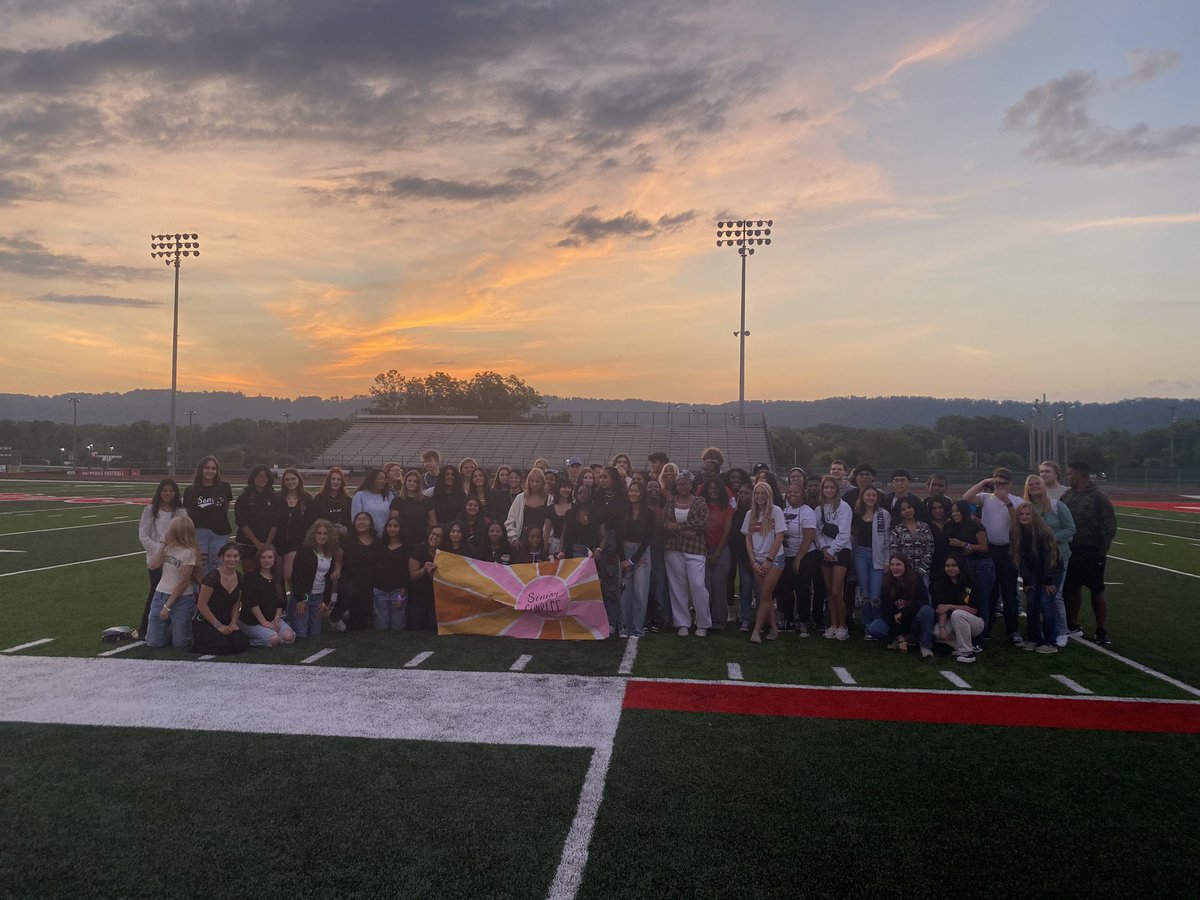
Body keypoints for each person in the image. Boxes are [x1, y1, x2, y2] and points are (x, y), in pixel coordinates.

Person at [962, 468, 1024, 646]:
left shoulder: (1017, 501)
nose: (1000, 486)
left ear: (1010, 484)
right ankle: (986, 627)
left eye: (1003, 483)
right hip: (988, 550)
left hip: (1007, 550)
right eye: (997, 483)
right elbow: (966, 498)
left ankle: (1012, 630)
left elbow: (1016, 523)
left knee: (1009, 592)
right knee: (989, 591)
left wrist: (1007, 502)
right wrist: (984, 483)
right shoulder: (986, 498)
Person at [1061, 461, 1117, 646]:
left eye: (1070, 474)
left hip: (1092, 551)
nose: (1068, 477)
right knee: (1072, 588)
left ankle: (1101, 629)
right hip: (1071, 549)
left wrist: (1101, 550)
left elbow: (1108, 525)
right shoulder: (1067, 495)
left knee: (1096, 590)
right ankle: (1072, 624)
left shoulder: (1098, 497)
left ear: (1080, 474)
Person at [1024, 474, 1076, 648]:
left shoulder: (1056, 505)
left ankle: (1061, 631)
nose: (1034, 486)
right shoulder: (1026, 507)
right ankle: (1038, 633)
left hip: (1057, 557)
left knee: (1055, 595)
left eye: (1037, 483)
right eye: (1030, 484)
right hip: (1036, 559)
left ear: (1043, 486)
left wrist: (1050, 538)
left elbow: (1071, 529)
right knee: (1036, 598)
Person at [659, 470, 711, 637]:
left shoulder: (700, 501)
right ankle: (682, 623)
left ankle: (703, 623)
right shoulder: (670, 501)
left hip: (695, 549)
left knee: (698, 585)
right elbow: (664, 523)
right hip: (673, 548)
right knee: (677, 586)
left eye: (686, 483)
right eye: (680, 483)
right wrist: (685, 531)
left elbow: (701, 523)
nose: (682, 486)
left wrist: (676, 527)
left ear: (691, 485)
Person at [137, 477, 189, 639]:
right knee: (156, 591)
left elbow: (184, 533)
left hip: (176, 558)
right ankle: (146, 628)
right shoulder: (150, 510)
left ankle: (173, 627)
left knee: (175, 590)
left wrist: (174, 551)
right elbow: (143, 535)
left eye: (171, 490)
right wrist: (159, 550)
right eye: (165, 490)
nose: (168, 493)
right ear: (159, 492)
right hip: (156, 557)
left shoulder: (181, 511)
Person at [1012, 502, 1062, 654]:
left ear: (1033, 515)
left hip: (1051, 572)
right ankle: (1033, 638)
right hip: (1033, 572)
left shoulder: (1043, 532)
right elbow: (1021, 559)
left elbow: (1050, 559)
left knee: (1046, 604)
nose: (1024, 517)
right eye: (1021, 514)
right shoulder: (1017, 533)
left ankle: (1050, 642)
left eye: (1028, 514)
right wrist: (1027, 581)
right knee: (1032, 604)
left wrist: (1048, 581)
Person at [145, 516, 200, 649]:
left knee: (181, 643)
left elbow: (183, 582)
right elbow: (152, 565)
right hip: (160, 595)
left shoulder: (190, 552)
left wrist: (167, 606)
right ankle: (170, 628)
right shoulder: (167, 548)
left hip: (182, 599)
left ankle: (180, 628)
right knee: (154, 642)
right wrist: (163, 544)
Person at [945, 500, 993, 649]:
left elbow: (984, 547)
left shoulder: (975, 525)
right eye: (953, 511)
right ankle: (969, 633)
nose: (955, 514)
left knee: (982, 601)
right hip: (967, 564)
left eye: (958, 511)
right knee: (968, 598)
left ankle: (981, 639)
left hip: (982, 565)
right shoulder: (953, 526)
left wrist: (963, 544)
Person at [867, 553, 934, 658]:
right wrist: (899, 636)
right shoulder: (887, 580)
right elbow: (886, 610)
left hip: (913, 620)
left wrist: (903, 613)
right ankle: (901, 640)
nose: (895, 567)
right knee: (874, 628)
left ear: (905, 566)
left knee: (927, 610)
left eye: (898, 564)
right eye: (892, 564)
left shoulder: (916, 578)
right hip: (895, 621)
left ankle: (925, 645)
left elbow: (923, 601)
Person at [744, 481, 786, 643]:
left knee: (765, 595)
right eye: (757, 493)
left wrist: (769, 560)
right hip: (757, 561)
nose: (760, 496)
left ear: (769, 495)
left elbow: (779, 536)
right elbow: (748, 539)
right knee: (766, 596)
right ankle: (774, 629)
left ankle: (756, 631)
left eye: (763, 493)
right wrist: (753, 562)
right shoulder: (750, 514)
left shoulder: (776, 511)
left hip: (774, 559)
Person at [191, 542, 251, 655]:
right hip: (207, 621)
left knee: (242, 643)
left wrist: (233, 622)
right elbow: (201, 605)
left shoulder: (239, 577)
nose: (232, 559)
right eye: (228, 556)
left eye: (235, 556)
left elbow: (236, 603)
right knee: (221, 647)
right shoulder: (212, 577)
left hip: (226, 620)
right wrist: (218, 625)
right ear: (222, 557)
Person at [815, 475, 853, 640]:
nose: (829, 490)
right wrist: (824, 548)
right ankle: (834, 624)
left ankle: (843, 626)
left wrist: (832, 550)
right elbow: (817, 531)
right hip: (825, 552)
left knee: (838, 591)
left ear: (837, 490)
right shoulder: (819, 509)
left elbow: (844, 533)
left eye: (832, 487)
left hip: (841, 551)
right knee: (830, 591)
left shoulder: (844, 507)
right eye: (826, 487)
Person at [851, 486, 891, 639]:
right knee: (865, 592)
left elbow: (887, 539)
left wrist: (887, 559)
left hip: (878, 555)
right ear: (862, 497)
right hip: (860, 554)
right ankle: (867, 624)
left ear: (877, 498)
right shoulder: (857, 514)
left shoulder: (883, 514)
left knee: (875, 593)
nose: (871, 498)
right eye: (868, 495)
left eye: (874, 495)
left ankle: (877, 623)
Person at [289, 519, 340, 639]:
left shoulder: (330, 553)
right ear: (313, 534)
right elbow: (296, 575)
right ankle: (287, 619)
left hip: (319, 597)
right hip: (304, 596)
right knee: (301, 634)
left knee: (315, 633)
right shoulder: (304, 551)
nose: (322, 536)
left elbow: (329, 580)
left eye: (325, 533)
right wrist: (299, 600)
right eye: (319, 533)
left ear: (330, 536)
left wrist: (326, 601)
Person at [183, 455, 234, 575]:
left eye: (213, 468)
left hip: (220, 533)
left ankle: (215, 587)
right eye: (207, 468)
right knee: (199, 567)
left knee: (218, 566)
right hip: (198, 533)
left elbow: (225, 509)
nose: (210, 471)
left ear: (217, 471)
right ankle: (200, 588)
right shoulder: (190, 490)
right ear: (201, 469)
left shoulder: (225, 487)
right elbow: (188, 514)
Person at [239, 545, 295, 647]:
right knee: (274, 639)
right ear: (258, 559)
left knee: (289, 637)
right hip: (252, 621)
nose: (267, 560)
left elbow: (281, 602)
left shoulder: (278, 577)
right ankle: (249, 641)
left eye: (270, 557)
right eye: (263, 557)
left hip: (272, 617)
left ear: (275, 559)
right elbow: (252, 603)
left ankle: (270, 633)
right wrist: (264, 622)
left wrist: (277, 619)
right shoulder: (250, 577)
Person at [618, 481, 655, 638]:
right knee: (625, 592)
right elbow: (618, 537)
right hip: (625, 551)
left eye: (636, 491)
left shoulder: (649, 514)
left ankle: (637, 628)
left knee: (640, 592)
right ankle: (624, 627)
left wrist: (633, 560)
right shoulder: (623, 512)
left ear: (642, 494)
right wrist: (623, 560)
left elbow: (647, 539)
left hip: (641, 553)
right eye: (631, 491)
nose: (633, 494)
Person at [774, 482, 812, 633]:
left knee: (802, 590)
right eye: (790, 492)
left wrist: (798, 559)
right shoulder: (784, 511)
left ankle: (804, 621)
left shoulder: (807, 512)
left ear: (803, 494)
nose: (792, 495)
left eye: (796, 492)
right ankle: (788, 619)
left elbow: (809, 537)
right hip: (786, 555)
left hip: (803, 556)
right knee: (785, 589)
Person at [931, 553, 983, 663]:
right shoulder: (941, 584)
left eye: (954, 565)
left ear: (961, 566)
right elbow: (941, 608)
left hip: (975, 622)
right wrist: (942, 628)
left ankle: (967, 653)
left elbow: (974, 610)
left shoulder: (971, 582)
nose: (950, 568)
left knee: (957, 614)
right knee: (937, 632)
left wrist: (950, 606)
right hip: (952, 620)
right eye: (947, 566)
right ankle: (960, 646)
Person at [335, 511, 380, 631]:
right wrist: (337, 571)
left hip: (369, 581)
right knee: (351, 591)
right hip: (349, 579)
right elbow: (338, 560)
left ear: (371, 523)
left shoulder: (378, 542)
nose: (361, 522)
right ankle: (340, 612)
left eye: (365, 519)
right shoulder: (346, 541)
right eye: (358, 519)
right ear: (354, 523)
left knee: (359, 625)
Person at [796, 477, 827, 636]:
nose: (813, 487)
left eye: (816, 485)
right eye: (810, 485)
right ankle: (804, 618)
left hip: (823, 549)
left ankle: (818, 617)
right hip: (807, 550)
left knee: (820, 586)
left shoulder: (825, 504)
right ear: (806, 487)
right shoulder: (803, 505)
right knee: (804, 586)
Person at [701, 477, 733, 631]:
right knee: (705, 585)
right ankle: (704, 620)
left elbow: (726, 532)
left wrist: (717, 553)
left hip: (722, 548)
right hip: (702, 549)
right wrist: (706, 552)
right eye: (710, 488)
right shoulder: (701, 506)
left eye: (716, 488)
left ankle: (719, 621)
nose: (713, 491)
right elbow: (698, 529)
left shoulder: (727, 507)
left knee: (719, 584)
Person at [233, 465, 278, 575]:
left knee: (268, 575)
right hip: (247, 543)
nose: (261, 479)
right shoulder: (244, 498)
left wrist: (267, 544)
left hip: (268, 544)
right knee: (250, 576)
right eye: (259, 476)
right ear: (253, 477)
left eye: (265, 476)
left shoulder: (274, 498)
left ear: (269, 479)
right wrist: (256, 542)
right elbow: (242, 522)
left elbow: (276, 522)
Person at [727, 482, 756, 630]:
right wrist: (745, 558)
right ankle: (744, 617)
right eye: (741, 493)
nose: (742, 496)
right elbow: (736, 537)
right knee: (744, 585)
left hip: (756, 554)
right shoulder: (736, 512)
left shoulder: (757, 512)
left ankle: (753, 617)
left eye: (746, 493)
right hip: (740, 554)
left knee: (753, 587)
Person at [373, 517, 409, 631]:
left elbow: (407, 572)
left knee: (397, 627)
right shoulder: (379, 546)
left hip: (397, 591)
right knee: (382, 627)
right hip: (380, 590)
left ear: (401, 528)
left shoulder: (406, 548)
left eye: (395, 526)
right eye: (389, 526)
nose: (392, 529)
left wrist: (402, 593)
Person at [275, 468, 311, 584]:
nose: (290, 482)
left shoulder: (307, 498)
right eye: (287, 479)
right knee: (278, 576)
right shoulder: (277, 497)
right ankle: (284, 596)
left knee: (289, 575)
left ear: (299, 479)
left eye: (293, 479)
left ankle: (297, 595)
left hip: (297, 543)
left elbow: (312, 521)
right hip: (278, 541)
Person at [407, 524, 444, 631]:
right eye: (433, 534)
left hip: (435, 596)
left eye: (439, 536)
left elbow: (442, 582)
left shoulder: (444, 554)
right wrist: (424, 569)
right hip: (418, 595)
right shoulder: (418, 549)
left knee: (432, 626)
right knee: (415, 626)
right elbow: (413, 577)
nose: (435, 537)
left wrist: (431, 573)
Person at [889, 498, 935, 584]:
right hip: (904, 573)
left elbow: (930, 548)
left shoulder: (924, 527)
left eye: (909, 507)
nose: (907, 510)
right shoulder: (897, 529)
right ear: (900, 513)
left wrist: (922, 569)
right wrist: (903, 570)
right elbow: (894, 551)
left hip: (923, 572)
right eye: (903, 509)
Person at [505, 466, 549, 545]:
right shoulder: (520, 498)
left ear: (542, 482)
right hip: (522, 541)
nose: (534, 484)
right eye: (532, 481)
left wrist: (548, 540)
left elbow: (552, 525)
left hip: (542, 541)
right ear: (528, 482)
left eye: (537, 481)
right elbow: (510, 521)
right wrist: (513, 538)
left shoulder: (549, 499)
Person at [391, 469, 432, 545]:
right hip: (402, 541)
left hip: (421, 541)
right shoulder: (397, 501)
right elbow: (394, 522)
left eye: (415, 481)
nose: (412, 483)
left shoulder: (427, 501)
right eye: (409, 480)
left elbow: (432, 522)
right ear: (405, 482)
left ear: (419, 484)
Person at [307, 467, 352, 537]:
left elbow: (351, 521)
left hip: (342, 538)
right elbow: (313, 520)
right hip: (323, 537)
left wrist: (346, 529)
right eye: (333, 479)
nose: (335, 482)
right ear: (328, 481)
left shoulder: (348, 500)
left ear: (342, 482)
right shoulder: (318, 499)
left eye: (338, 479)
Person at [352, 468, 392, 537]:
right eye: (380, 478)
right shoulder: (360, 495)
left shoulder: (389, 495)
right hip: (368, 537)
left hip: (386, 536)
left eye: (384, 479)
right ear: (372, 479)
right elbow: (355, 519)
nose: (383, 481)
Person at [545, 479, 575, 557]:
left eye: (569, 487)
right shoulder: (550, 509)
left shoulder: (575, 507)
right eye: (564, 487)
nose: (567, 490)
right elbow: (546, 531)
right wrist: (544, 548)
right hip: (556, 545)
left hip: (572, 544)